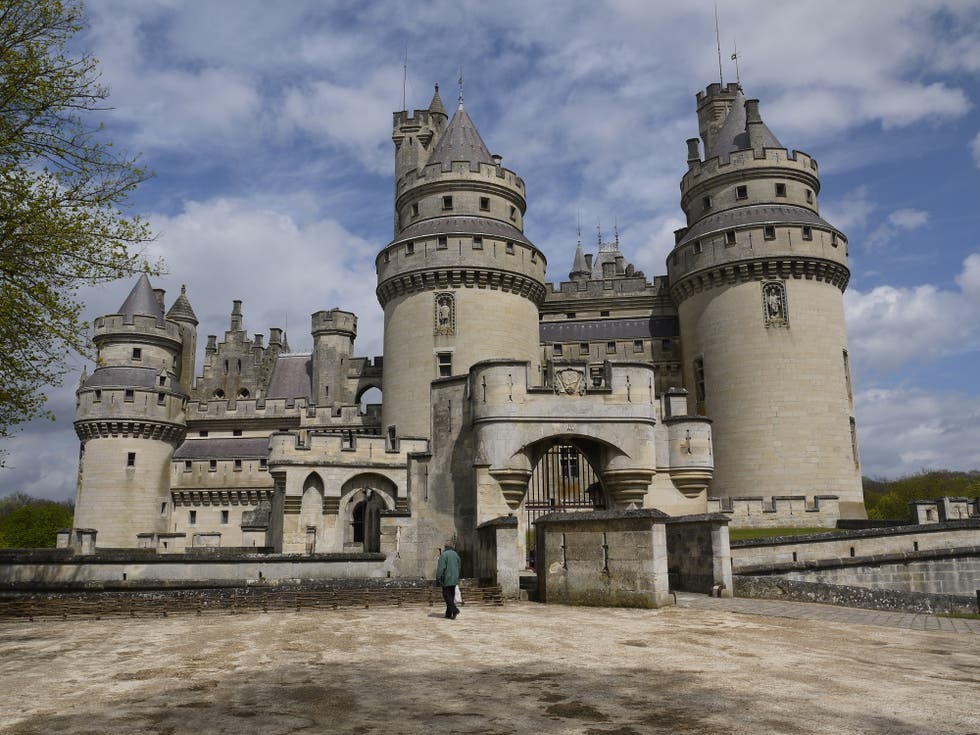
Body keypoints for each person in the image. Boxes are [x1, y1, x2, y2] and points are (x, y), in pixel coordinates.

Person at [436, 541, 461, 619]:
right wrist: (457, 575)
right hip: (454, 578)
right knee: (451, 595)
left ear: (445, 547)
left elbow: (441, 568)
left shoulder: (444, 555)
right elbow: (459, 566)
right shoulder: (456, 554)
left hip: (447, 578)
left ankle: (455, 610)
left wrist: (438, 578)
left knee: (446, 595)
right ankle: (448, 613)